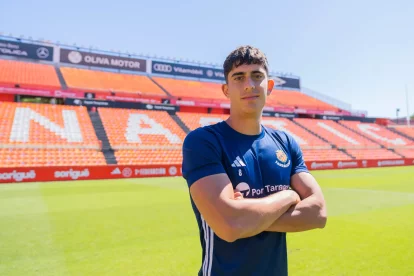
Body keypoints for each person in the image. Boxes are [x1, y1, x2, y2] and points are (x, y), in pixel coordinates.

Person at [182, 45, 327, 276]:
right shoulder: (203, 141)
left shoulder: (286, 143)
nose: (249, 84)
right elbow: (229, 225)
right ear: (226, 90)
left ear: (269, 86)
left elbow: (318, 214)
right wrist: (289, 196)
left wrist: (245, 216)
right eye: (238, 77)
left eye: (257, 76)